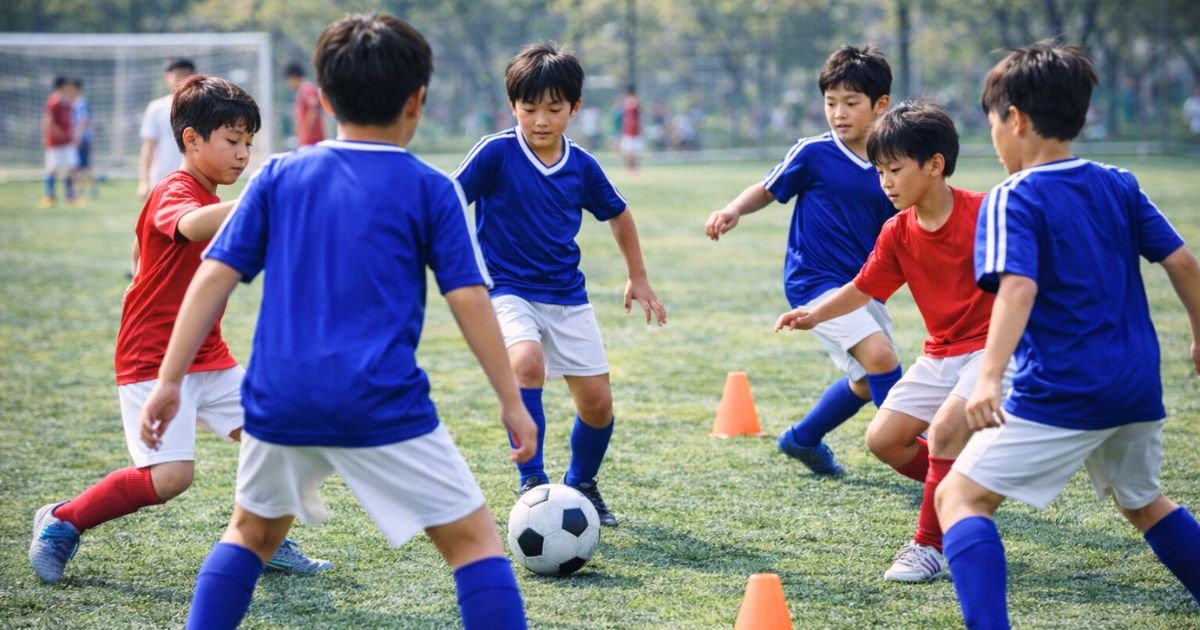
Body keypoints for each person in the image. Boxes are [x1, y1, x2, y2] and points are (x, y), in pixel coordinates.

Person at [138, 15, 535, 629]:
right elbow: (470, 301)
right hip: (382, 401)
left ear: (323, 99)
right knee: (475, 544)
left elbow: (212, 276)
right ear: (417, 100)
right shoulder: (432, 189)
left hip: (280, 402)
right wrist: (512, 402)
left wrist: (168, 380)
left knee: (249, 535)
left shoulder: (276, 176)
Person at [936, 42, 1200, 628]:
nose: (994, 138)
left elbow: (1018, 289)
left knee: (958, 498)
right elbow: (1182, 263)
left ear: (1017, 120)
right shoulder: (1118, 183)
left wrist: (988, 378)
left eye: (992, 123)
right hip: (1136, 387)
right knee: (1143, 503)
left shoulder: (1015, 195)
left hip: (1063, 390)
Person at [29, 74, 329, 585]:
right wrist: (265, 198)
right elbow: (189, 225)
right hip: (151, 359)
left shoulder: (215, 200)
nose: (243, 154)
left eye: (249, 144)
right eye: (232, 141)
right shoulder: (177, 189)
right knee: (170, 478)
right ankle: (63, 521)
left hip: (207, 355)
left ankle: (261, 538)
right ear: (191, 140)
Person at [776, 101, 1009, 583]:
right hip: (941, 351)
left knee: (943, 433)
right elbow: (863, 287)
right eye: (880, 170)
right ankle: (962, 499)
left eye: (895, 169)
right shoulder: (897, 231)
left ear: (935, 165)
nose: (885, 181)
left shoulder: (985, 214)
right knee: (884, 440)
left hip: (992, 351)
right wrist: (813, 313)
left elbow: (1027, 280)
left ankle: (930, 543)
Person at [453, 42, 667, 527]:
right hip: (506, 288)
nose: (541, 120)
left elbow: (619, 214)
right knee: (524, 362)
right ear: (513, 107)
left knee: (597, 404)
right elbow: (451, 198)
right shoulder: (495, 152)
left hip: (568, 295)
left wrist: (638, 276)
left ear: (575, 108)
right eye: (529, 109)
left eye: (554, 109)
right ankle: (532, 482)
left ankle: (582, 484)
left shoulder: (583, 165)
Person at [705, 45, 901, 476]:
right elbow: (769, 188)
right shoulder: (813, 152)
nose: (838, 113)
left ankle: (803, 438)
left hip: (862, 286)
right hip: (814, 282)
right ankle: (917, 456)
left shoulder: (896, 160)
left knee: (868, 381)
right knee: (883, 358)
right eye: (831, 103)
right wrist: (734, 209)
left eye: (851, 103)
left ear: (881, 104)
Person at [138, 58, 196, 200]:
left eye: (186, 75)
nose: (182, 80)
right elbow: (148, 147)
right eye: (177, 75)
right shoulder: (156, 108)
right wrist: (144, 181)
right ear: (167, 78)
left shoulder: (200, 108)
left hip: (192, 181)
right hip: (161, 181)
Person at [39, 76, 78, 208]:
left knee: (71, 168)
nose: (71, 88)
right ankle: (49, 196)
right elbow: (48, 121)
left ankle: (70, 196)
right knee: (52, 169)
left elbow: (70, 121)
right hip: (55, 143)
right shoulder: (53, 101)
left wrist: (71, 134)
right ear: (62, 86)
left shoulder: (67, 102)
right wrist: (51, 135)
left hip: (67, 142)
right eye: (68, 85)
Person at [283, 60, 325, 147]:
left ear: (294, 77)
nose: (288, 84)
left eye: (289, 80)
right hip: (307, 140)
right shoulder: (301, 91)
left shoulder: (307, 89)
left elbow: (313, 108)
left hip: (313, 140)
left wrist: (306, 132)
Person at [71, 78, 95, 200]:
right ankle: (91, 189)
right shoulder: (80, 101)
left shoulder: (80, 102)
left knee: (77, 166)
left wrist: (78, 138)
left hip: (81, 138)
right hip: (84, 138)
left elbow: (84, 120)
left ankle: (79, 191)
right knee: (85, 166)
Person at [619, 84, 642, 171]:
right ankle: (632, 168)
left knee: (630, 151)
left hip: (630, 130)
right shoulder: (633, 102)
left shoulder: (628, 103)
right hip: (632, 130)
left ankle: (631, 168)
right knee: (632, 150)